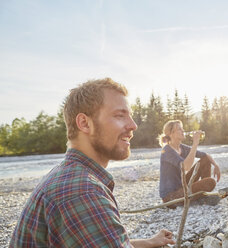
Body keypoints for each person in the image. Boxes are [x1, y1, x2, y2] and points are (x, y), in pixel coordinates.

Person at [9, 78, 175, 247]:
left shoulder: (68, 175)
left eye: (130, 116)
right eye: (119, 115)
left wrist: (150, 242)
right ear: (84, 123)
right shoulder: (82, 192)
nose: (133, 125)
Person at [158, 120, 221, 208]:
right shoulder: (167, 150)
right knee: (210, 182)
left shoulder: (182, 147)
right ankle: (202, 196)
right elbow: (185, 167)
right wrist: (195, 144)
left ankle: (204, 196)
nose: (183, 131)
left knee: (205, 160)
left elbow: (206, 155)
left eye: (182, 128)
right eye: (179, 129)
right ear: (171, 134)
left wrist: (216, 165)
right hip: (171, 197)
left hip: (181, 186)